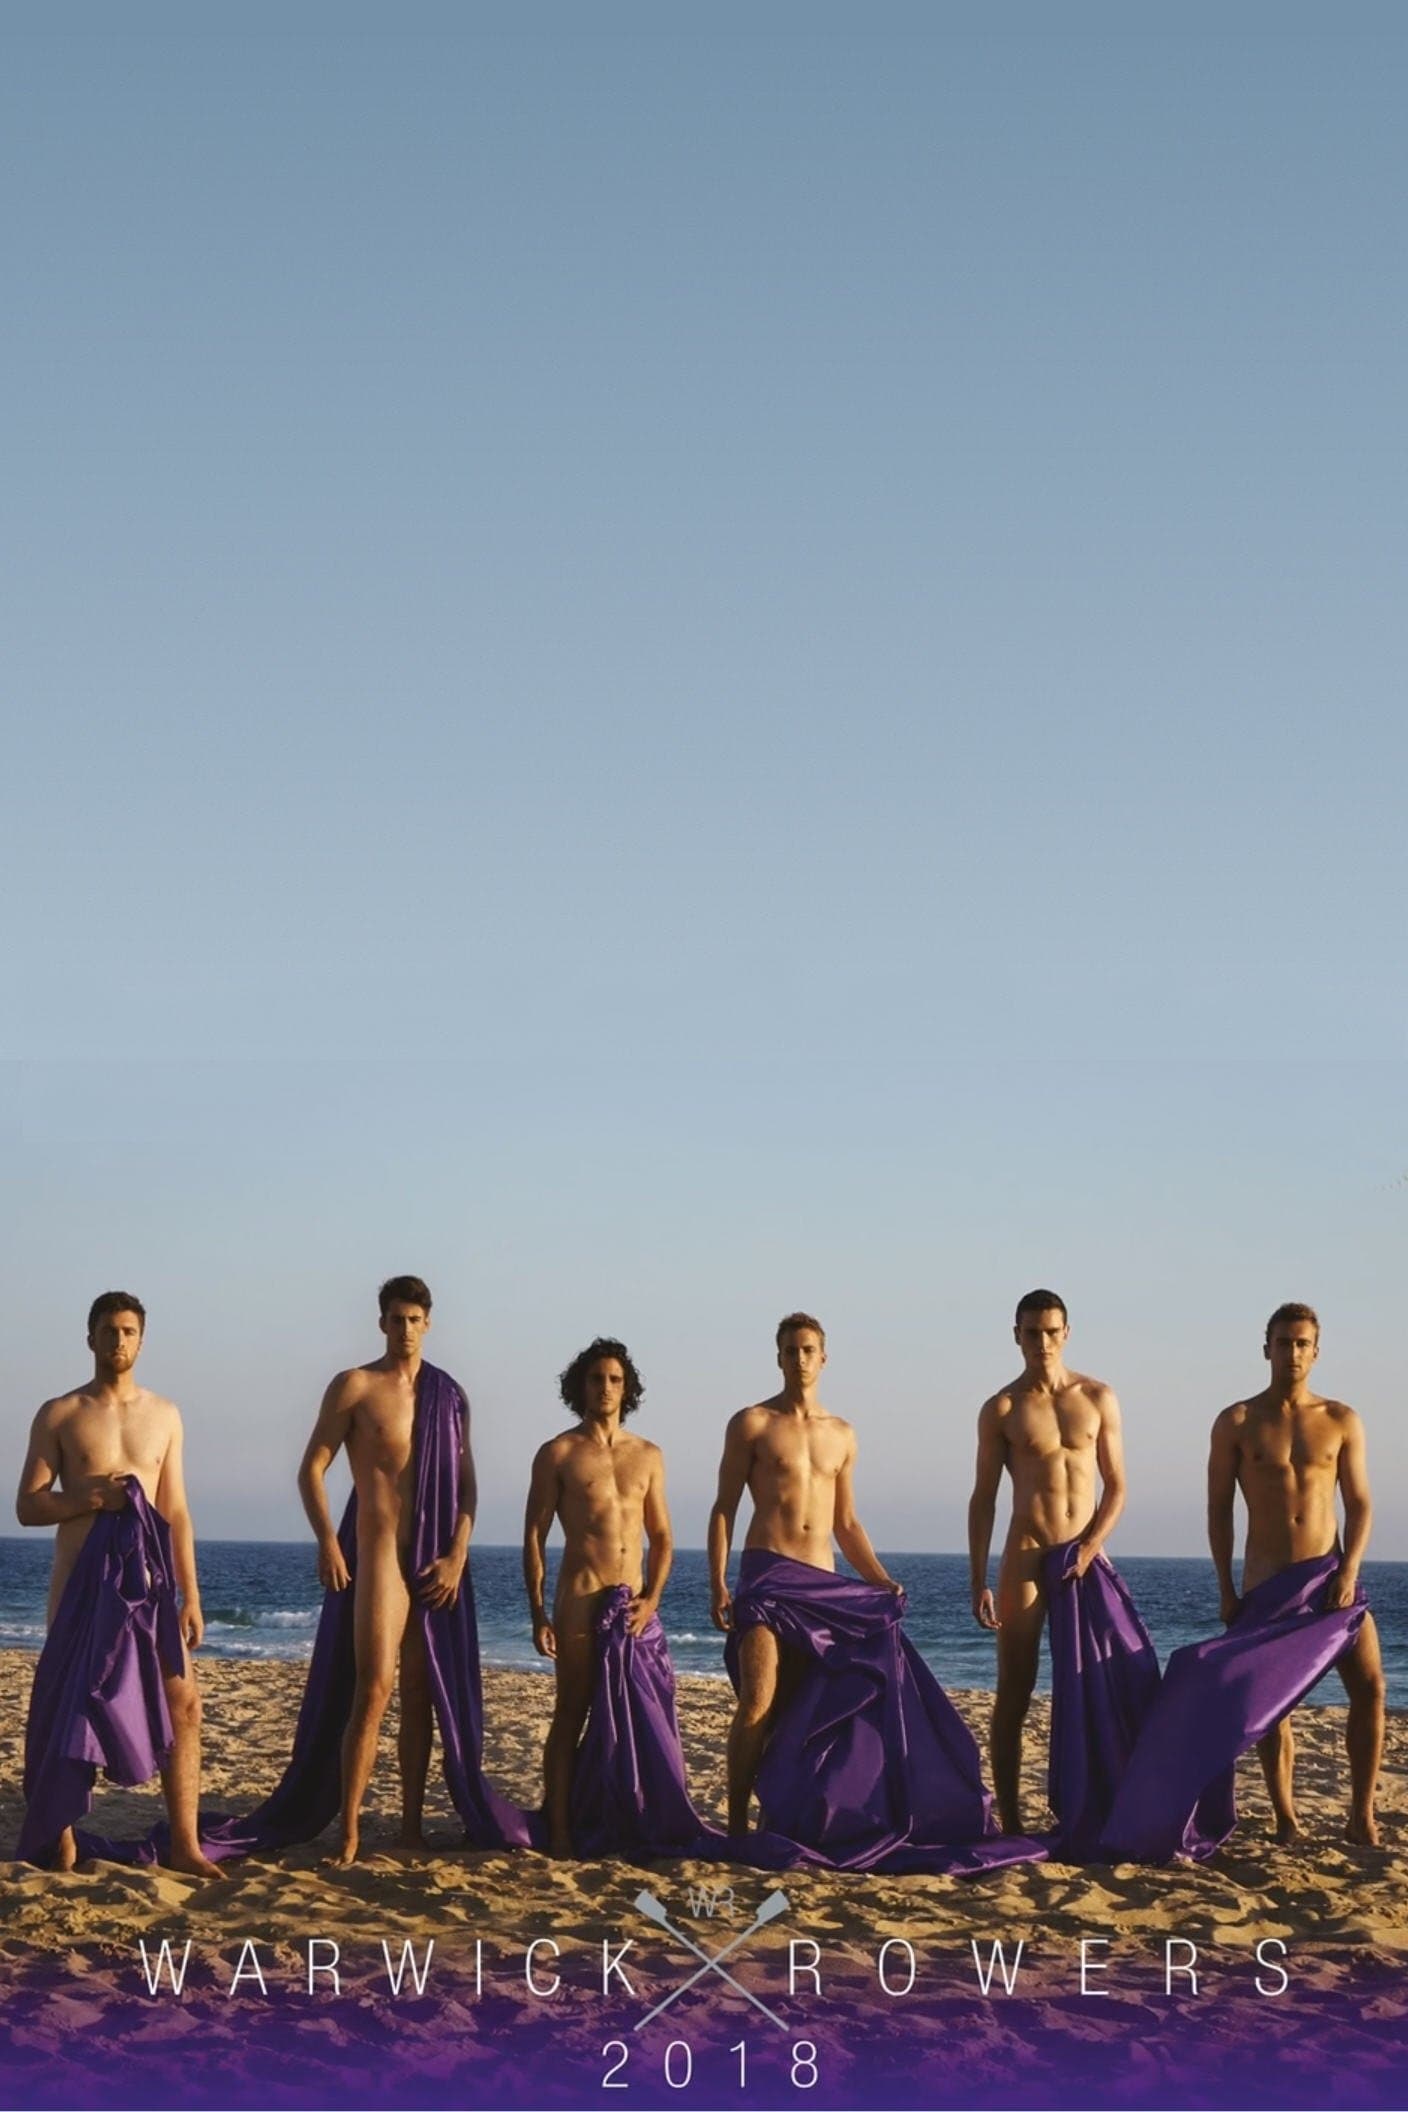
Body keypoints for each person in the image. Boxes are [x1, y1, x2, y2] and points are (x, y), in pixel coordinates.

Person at [15, 1292, 222, 1876]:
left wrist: (192, 1594)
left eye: (129, 1331)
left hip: (150, 1585)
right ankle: (62, 1840)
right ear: (90, 1339)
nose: (119, 1342)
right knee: (70, 1710)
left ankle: (185, 1844)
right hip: (83, 1586)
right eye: (108, 1331)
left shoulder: (165, 1414)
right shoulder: (59, 1413)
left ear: (142, 1339)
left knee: (184, 1702)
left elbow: (175, 1508)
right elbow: (28, 1506)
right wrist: (90, 1498)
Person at [298, 1274, 479, 1865]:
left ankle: (409, 1826)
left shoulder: (449, 1396)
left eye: (415, 1319)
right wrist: (328, 1541)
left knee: (424, 1695)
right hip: (376, 1551)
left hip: (433, 1557)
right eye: (395, 1319)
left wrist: (457, 1554)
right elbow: (312, 1469)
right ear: (382, 1323)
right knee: (374, 1689)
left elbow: (469, 1488)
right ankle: (349, 1831)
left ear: (429, 1324)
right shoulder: (355, 1386)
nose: (405, 1329)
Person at [709, 1313, 902, 1838]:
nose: (799, 1359)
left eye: (808, 1349)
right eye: (790, 1350)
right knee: (758, 1699)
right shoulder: (751, 1423)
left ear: (823, 1358)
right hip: (767, 1579)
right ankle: (735, 1826)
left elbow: (847, 1522)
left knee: (810, 1709)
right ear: (778, 1357)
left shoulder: (842, 1434)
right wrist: (719, 1581)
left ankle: (786, 1817)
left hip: (823, 1587)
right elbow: (724, 1507)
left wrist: (880, 1580)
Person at [1207, 1302, 1384, 1846]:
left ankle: (1362, 1814)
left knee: (1372, 1687)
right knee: (1272, 1706)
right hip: (1266, 1585)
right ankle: (1286, 1818)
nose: (1293, 1353)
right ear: (1267, 1349)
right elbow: (1218, 1511)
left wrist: (1349, 1569)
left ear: (1317, 1349)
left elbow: (1359, 1504)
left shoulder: (1340, 1420)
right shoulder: (1237, 1421)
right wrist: (1227, 1589)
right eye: (1283, 1343)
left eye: (1303, 1343)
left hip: (1330, 1579)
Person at [967, 1289, 1127, 1834]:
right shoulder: (1003, 1408)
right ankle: (1010, 1818)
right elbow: (984, 1498)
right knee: (1015, 1685)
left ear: (1067, 1333)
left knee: (1099, 1680)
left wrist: (1089, 1546)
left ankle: (1094, 1802)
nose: (1041, 1342)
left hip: (1085, 1556)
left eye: (1051, 1331)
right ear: (1017, 1335)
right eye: (1031, 1332)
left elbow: (1118, 1487)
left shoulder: (1098, 1397)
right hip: (1028, 1554)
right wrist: (978, 1579)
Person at [523, 1338, 676, 1857]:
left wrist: (653, 1597)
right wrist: (537, 1612)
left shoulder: (649, 1455)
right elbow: (534, 1535)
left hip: (633, 1607)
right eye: (595, 1379)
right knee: (572, 1712)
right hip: (581, 1602)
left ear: (626, 1387)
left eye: (614, 1379)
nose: (605, 1388)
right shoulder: (558, 1452)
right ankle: (561, 1829)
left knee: (643, 1718)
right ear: (579, 1386)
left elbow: (663, 1537)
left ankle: (630, 1820)